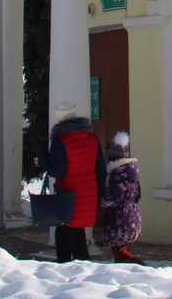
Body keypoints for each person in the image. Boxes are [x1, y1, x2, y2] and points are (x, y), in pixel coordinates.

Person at [44, 101, 106, 263]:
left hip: (69, 195)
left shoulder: (61, 140)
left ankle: (82, 275)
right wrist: (99, 193)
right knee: (63, 232)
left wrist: (45, 159)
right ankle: (63, 267)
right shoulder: (92, 138)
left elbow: (57, 171)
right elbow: (100, 169)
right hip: (88, 193)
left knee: (76, 240)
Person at [101, 131, 143, 264]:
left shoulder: (119, 174)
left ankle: (140, 267)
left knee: (119, 251)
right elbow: (137, 194)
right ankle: (124, 270)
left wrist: (102, 201)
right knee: (119, 250)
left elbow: (117, 197)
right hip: (132, 215)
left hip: (120, 217)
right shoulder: (131, 172)